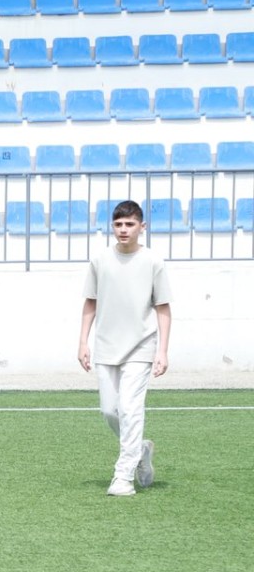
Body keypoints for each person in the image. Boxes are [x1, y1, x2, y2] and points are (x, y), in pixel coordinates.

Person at [78, 200, 171, 497]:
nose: (123, 229)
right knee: (110, 410)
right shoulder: (100, 260)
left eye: (129, 224)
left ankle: (123, 476)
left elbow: (163, 308)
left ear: (142, 227)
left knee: (130, 409)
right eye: (118, 224)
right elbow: (90, 303)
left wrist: (162, 350)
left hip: (142, 346)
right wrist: (83, 341)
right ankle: (140, 449)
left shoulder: (154, 262)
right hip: (106, 346)